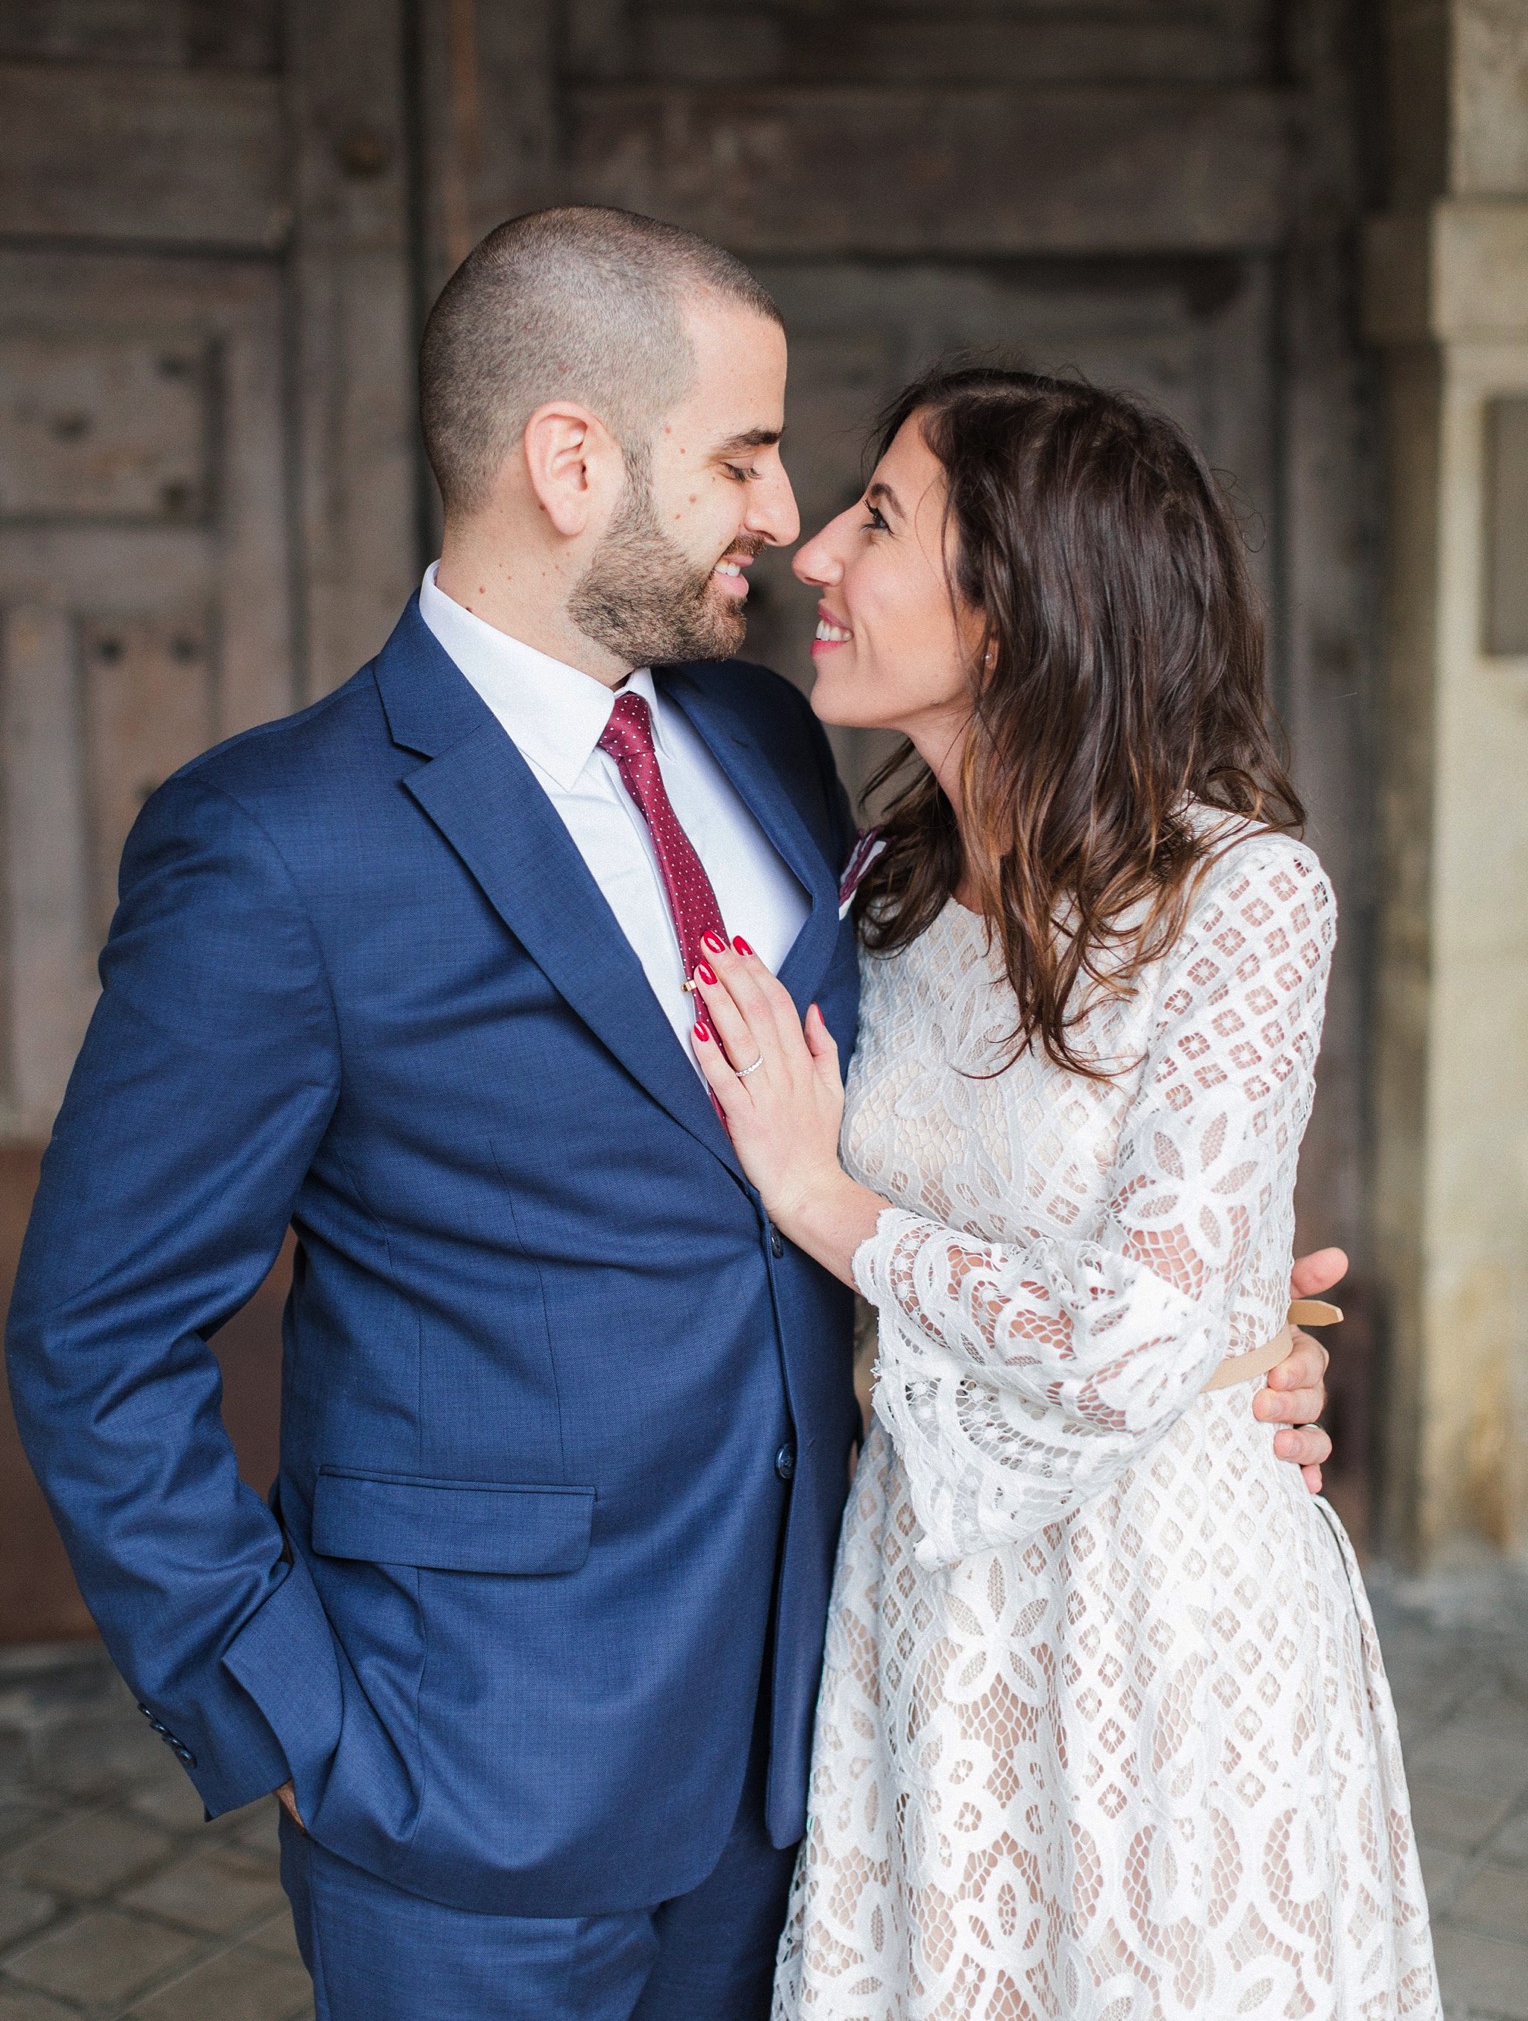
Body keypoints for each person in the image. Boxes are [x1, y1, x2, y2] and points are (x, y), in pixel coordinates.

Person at [6, 217, 1340, 2021]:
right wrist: (290, 1716)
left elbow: (946, 1145)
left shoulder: (775, 748)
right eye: (739, 459)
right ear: (573, 465)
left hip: (821, 1760)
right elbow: (96, 1336)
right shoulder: (277, 844)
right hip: (465, 1787)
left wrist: (1201, 1367)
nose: (784, 516)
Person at [679, 367, 1438, 2021]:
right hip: (932, 1609)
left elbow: (1127, 1340)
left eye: (879, 517)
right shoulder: (876, 892)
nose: (816, 551)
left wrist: (830, 1200)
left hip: (1164, 1616)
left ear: (1012, 615)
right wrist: (1247, 1320)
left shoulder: (1245, 901)